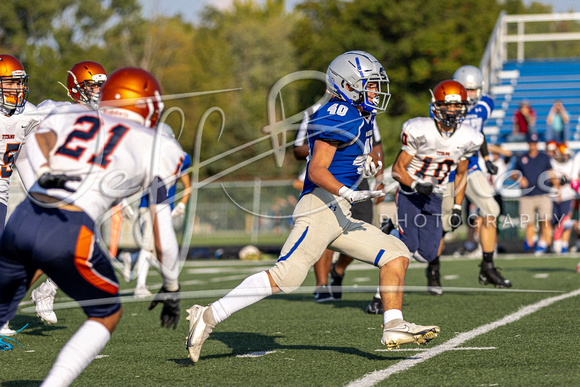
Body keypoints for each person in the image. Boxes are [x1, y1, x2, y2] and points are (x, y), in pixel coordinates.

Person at [185, 51, 440, 363]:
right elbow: (317, 170)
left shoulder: (360, 114)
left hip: (339, 212)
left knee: (396, 253)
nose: (376, 92)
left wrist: (368, 169)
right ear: (348, 85)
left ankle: (394, 325)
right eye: (370, 85)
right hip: (320, 205)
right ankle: (207, 316)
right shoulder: (339, 113)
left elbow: (349, 159)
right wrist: (349, 191)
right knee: (287, 276)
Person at [0, 67, 184, 384]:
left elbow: (36, 141)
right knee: (106, 313)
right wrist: (171, 286)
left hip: (25, 216)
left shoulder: (69, 116)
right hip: (70, 226)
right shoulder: (157, 146)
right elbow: (162, 230)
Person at [27, 60, 108, 326]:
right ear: (77, 87)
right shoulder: (58, 110)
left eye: (100, 86)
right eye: (92, 86)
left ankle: (40, 290)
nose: (98, 91)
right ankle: (39, 292)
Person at [392, 79, 483, 296]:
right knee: (408, 246)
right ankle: (381, 294)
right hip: (410, 191)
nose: (452, 110)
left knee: (428, 253)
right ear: (436, 105)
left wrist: (457, 208)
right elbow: (397, 169)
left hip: (435, 195)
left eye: (457, 105)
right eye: (447, 105)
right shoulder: (419, 129)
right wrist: (415, 184)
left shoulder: (469, 137)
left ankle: (392, 230)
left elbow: (462, 174)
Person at [292, 105, 385, 303]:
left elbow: (376, 145)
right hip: (330, 174)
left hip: (358, 177)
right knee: (324, 229)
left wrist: (379, 175)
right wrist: (328, 143)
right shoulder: (315, 112)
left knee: (362, 228)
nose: (371, 89)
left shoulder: (367, 111)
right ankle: (322, 284)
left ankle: (338, 269)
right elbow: (298, 149)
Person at [432, 65, 510, 295]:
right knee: (446, 222)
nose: (471, 95)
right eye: (467, 90)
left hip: (473, 167)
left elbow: (479, 132)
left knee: (491, 209)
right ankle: (433, 269)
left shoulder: (485, 105)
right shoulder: (441, 105)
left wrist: (486, 157)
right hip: (447, 170)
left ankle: (487, 266)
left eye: (474, 90)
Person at [119, 138, 191, 298]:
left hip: (166, 208)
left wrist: (182, 204)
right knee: (148, 246)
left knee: (158, 248)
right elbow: (136, 182)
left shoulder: (177, 158)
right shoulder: (150, 158)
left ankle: (131, 258)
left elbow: (187, 185)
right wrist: (123, 199)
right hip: (149, 207)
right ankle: (140, 286)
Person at [0, 54, 41, 336]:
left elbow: (24, 158)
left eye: (19, 84)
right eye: (10, 84)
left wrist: (40, 194)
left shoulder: (29, 115)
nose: (17, 90)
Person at [511, 133, 560, 255]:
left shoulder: (544, 157)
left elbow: (551, 173)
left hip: (543, 194)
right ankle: (530, 245)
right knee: (529, 223)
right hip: (527, 195)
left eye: (534, 143)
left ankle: (547, 244)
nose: (532, 145)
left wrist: (557, 188)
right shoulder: (521, 158)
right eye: (530, 143)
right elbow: (513, 173)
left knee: (545, 221)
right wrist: (519, 178)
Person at [550, 143, 574, 253]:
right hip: (553, 196)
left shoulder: (571, 164)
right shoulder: (552, 163)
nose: (565, 157)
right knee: (552, 222)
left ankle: (563, 245)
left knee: (565, 222)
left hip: (568, 196)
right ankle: (553, 243)